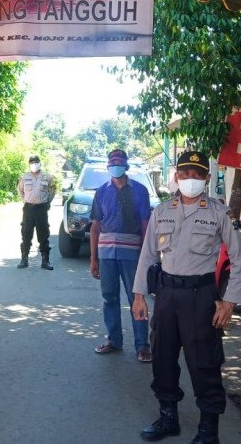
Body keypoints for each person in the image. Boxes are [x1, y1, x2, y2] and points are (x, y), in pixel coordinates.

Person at [131, 151, 241, 444]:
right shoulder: (161, 211)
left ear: (207, 178)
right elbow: (147, 255)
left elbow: (239, 259)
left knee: (204, 362)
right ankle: (168, 417)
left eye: (197, 174)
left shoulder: (219, 213)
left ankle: (209, 429)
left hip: (201, 297)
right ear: (177, 177)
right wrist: (139, 295)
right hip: (167, 295)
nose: (191, 180)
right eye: (185, 174)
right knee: (163, 358)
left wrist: (229, 302)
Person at [89, 149, 152, 361]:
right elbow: (95, 226)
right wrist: (93, 258)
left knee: (137, 297)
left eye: (119, 162)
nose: (115, 165)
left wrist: (147, 255)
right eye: (112, 162)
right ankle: (114, 341)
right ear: (108, 166)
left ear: (126, 166)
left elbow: (145, 224)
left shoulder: (140, 191)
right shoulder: (101, 191)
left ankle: (142, 346)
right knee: (109, 298)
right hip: (106, 253)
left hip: (132, 253)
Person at [17, 155, 56, 270]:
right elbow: (20, 191)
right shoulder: (24, 177)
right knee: (26, 234)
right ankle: (24, 260)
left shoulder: (48, 177)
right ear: (29, 164)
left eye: (36, 162)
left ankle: (45, 261)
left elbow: (53, 190)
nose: (34, 164)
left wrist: (46, 202)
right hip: (28, 209)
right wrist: (27, 201)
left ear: (40, 163)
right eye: (32, 162)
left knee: (43, 235)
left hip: (41, 209)